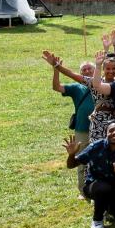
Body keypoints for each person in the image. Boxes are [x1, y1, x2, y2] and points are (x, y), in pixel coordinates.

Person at [65, 120, 115, 228]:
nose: (114, 132)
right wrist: (72, 155)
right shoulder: (96, 146)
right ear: (106, 133)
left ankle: (108, 207)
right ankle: (97, 220)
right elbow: (71, 165)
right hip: (95, 186)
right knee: (103, 188)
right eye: (111, 130)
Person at [43, 51, 96, 193]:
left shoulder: (100, 83)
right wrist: (56, 70)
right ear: (80, 73)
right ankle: (83, 190)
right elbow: (57, 87)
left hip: (99, 129)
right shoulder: (76, 87)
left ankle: (94, 187)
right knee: (81, 159)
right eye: (84, 70)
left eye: (89, 69)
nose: (87, 71)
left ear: (95, 70)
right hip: (82, 129)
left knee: (97, 159)